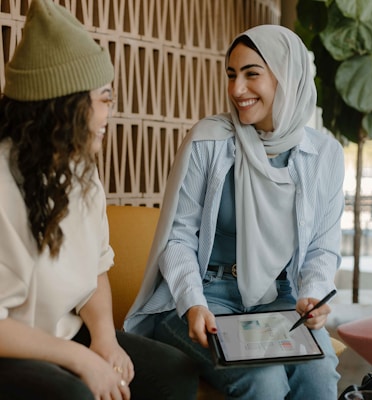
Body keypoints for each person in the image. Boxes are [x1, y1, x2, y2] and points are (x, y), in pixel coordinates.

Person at [124, 24, 344, 400]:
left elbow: (322, 248)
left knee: (319, 373)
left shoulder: (325, 154)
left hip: (280, 298)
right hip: (206, 297)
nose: (236, 90)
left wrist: (312, 295)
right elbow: (177, 237)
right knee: (264, 379)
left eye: (251, 74)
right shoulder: (209, 140)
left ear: (286, 78)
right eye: (231, 75)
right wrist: (192, 303)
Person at [0, 1, 198, 399]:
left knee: (174, 372)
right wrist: (82, 360)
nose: (111, 112)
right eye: (104, 99)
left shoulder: (81, 170)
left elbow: (95, 273)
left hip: (66, 333)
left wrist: (105, 341)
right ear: (65, 106)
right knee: (76, 393)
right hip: (12, 349)